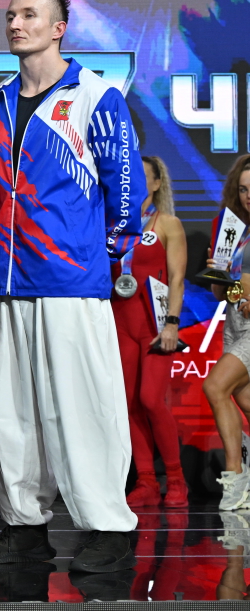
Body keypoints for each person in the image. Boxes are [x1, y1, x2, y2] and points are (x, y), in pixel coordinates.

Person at [0, 0, 146, 573]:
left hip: (69, 281)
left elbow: (125, 190)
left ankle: (108, 526)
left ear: (58, 28)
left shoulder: (96, 96)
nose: (15, 23)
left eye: (29, 14)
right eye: (10, 14)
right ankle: (23, 526)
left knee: (82, 408)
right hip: (3, 282)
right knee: (7, 414)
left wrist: (99, 257)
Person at [119, 156, 188, 508]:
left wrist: (172, 323)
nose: (132, 181)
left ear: (157, 183)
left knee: (150, 399)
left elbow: (177, 278)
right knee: (128, 403)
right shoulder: (112, 227)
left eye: (142, 176)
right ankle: (145, 480)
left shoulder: (168, 224)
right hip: (119, 322)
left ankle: (175, 478)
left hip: (154, 325)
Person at [203, 155, 250, 511]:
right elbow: (221, 293)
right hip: (235, 322)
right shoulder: (229, 227)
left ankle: (236, 474)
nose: (249, 196)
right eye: (244, 189)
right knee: (245, 400)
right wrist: (216, 272)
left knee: (215, 386)